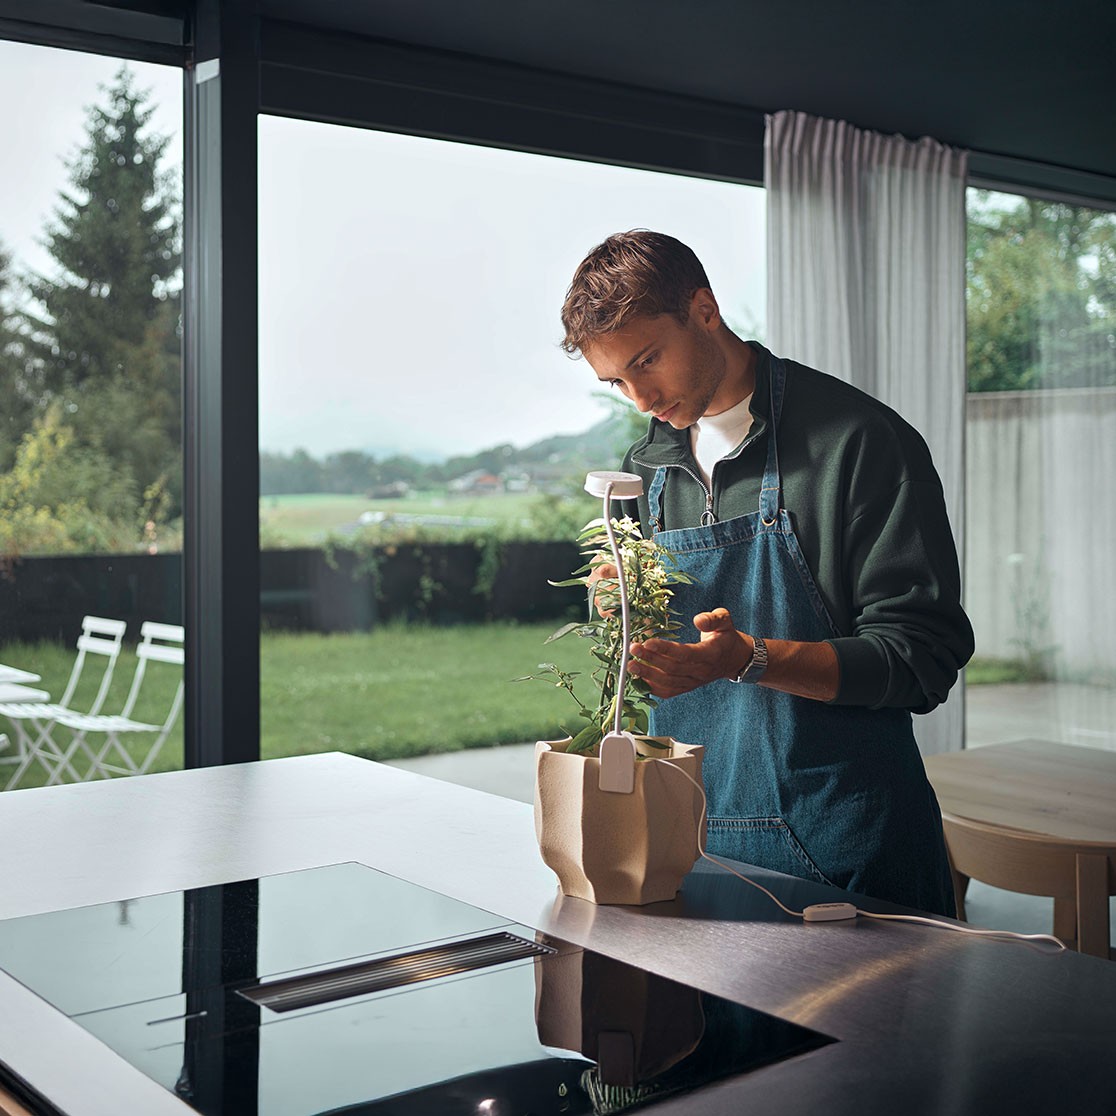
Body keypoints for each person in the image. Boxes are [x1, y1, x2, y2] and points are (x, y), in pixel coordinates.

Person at [560, 230, 973, 916]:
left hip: (848, 857)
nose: (638, 397)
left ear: (704, 309)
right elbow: (675, 660)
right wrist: (628, 612)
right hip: (691, 849)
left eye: (648, 361)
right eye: (616, 381)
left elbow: (922, 660)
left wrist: (747, 659)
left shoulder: (859, 443)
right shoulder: (651, 472)